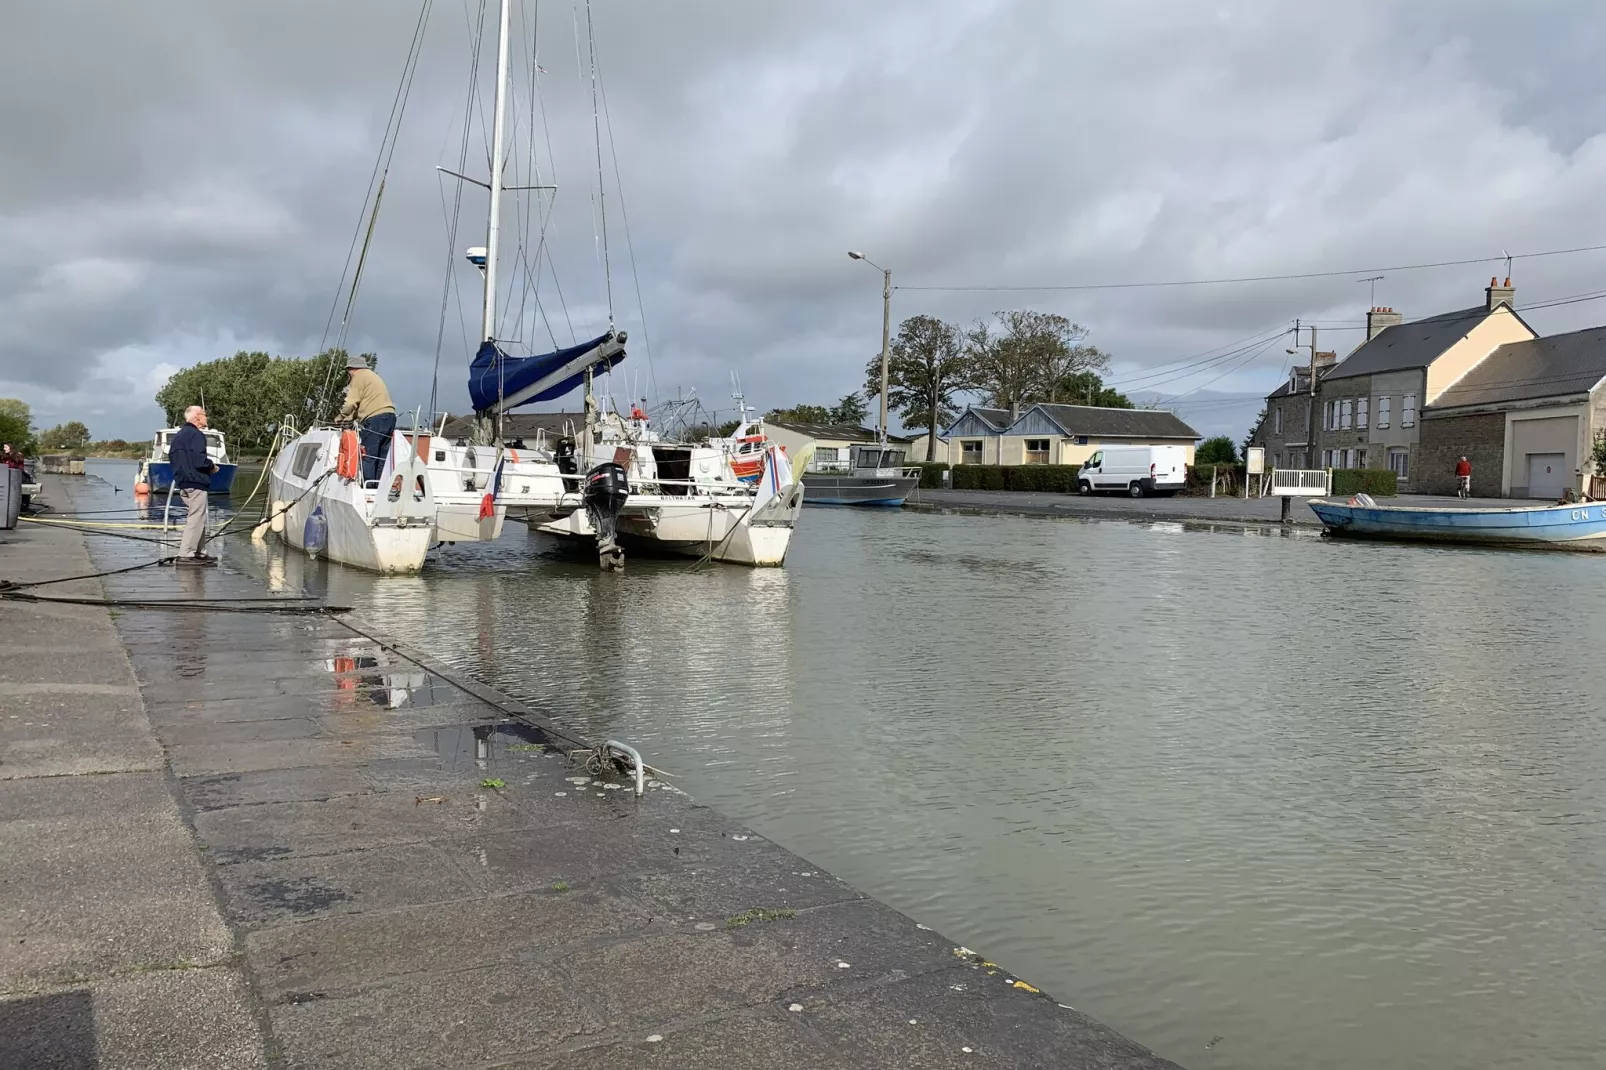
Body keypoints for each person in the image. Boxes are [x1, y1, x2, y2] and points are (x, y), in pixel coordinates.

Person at [337, 354, 396, 483]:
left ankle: (366, 487)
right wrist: (349, 418)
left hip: (375, 419)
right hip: (390, 417)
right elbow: (362, 404)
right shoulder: (372, 376)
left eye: (348, 371)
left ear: (352, 369)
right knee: (381, 458)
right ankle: (378, 487)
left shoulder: (358, 377)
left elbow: (351, 403)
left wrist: (341, 417)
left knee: (368, 455)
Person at [170, 405, 217, 565]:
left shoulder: (178, 436)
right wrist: (212, 466)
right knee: (196, 518)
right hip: (196, 482)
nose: (206, 418)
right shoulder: (197, 435)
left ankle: (199, 551)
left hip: (183, 482)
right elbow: (199, 461)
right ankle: (186, 554)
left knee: (198, 517)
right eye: (205, 414)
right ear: (197, 417)